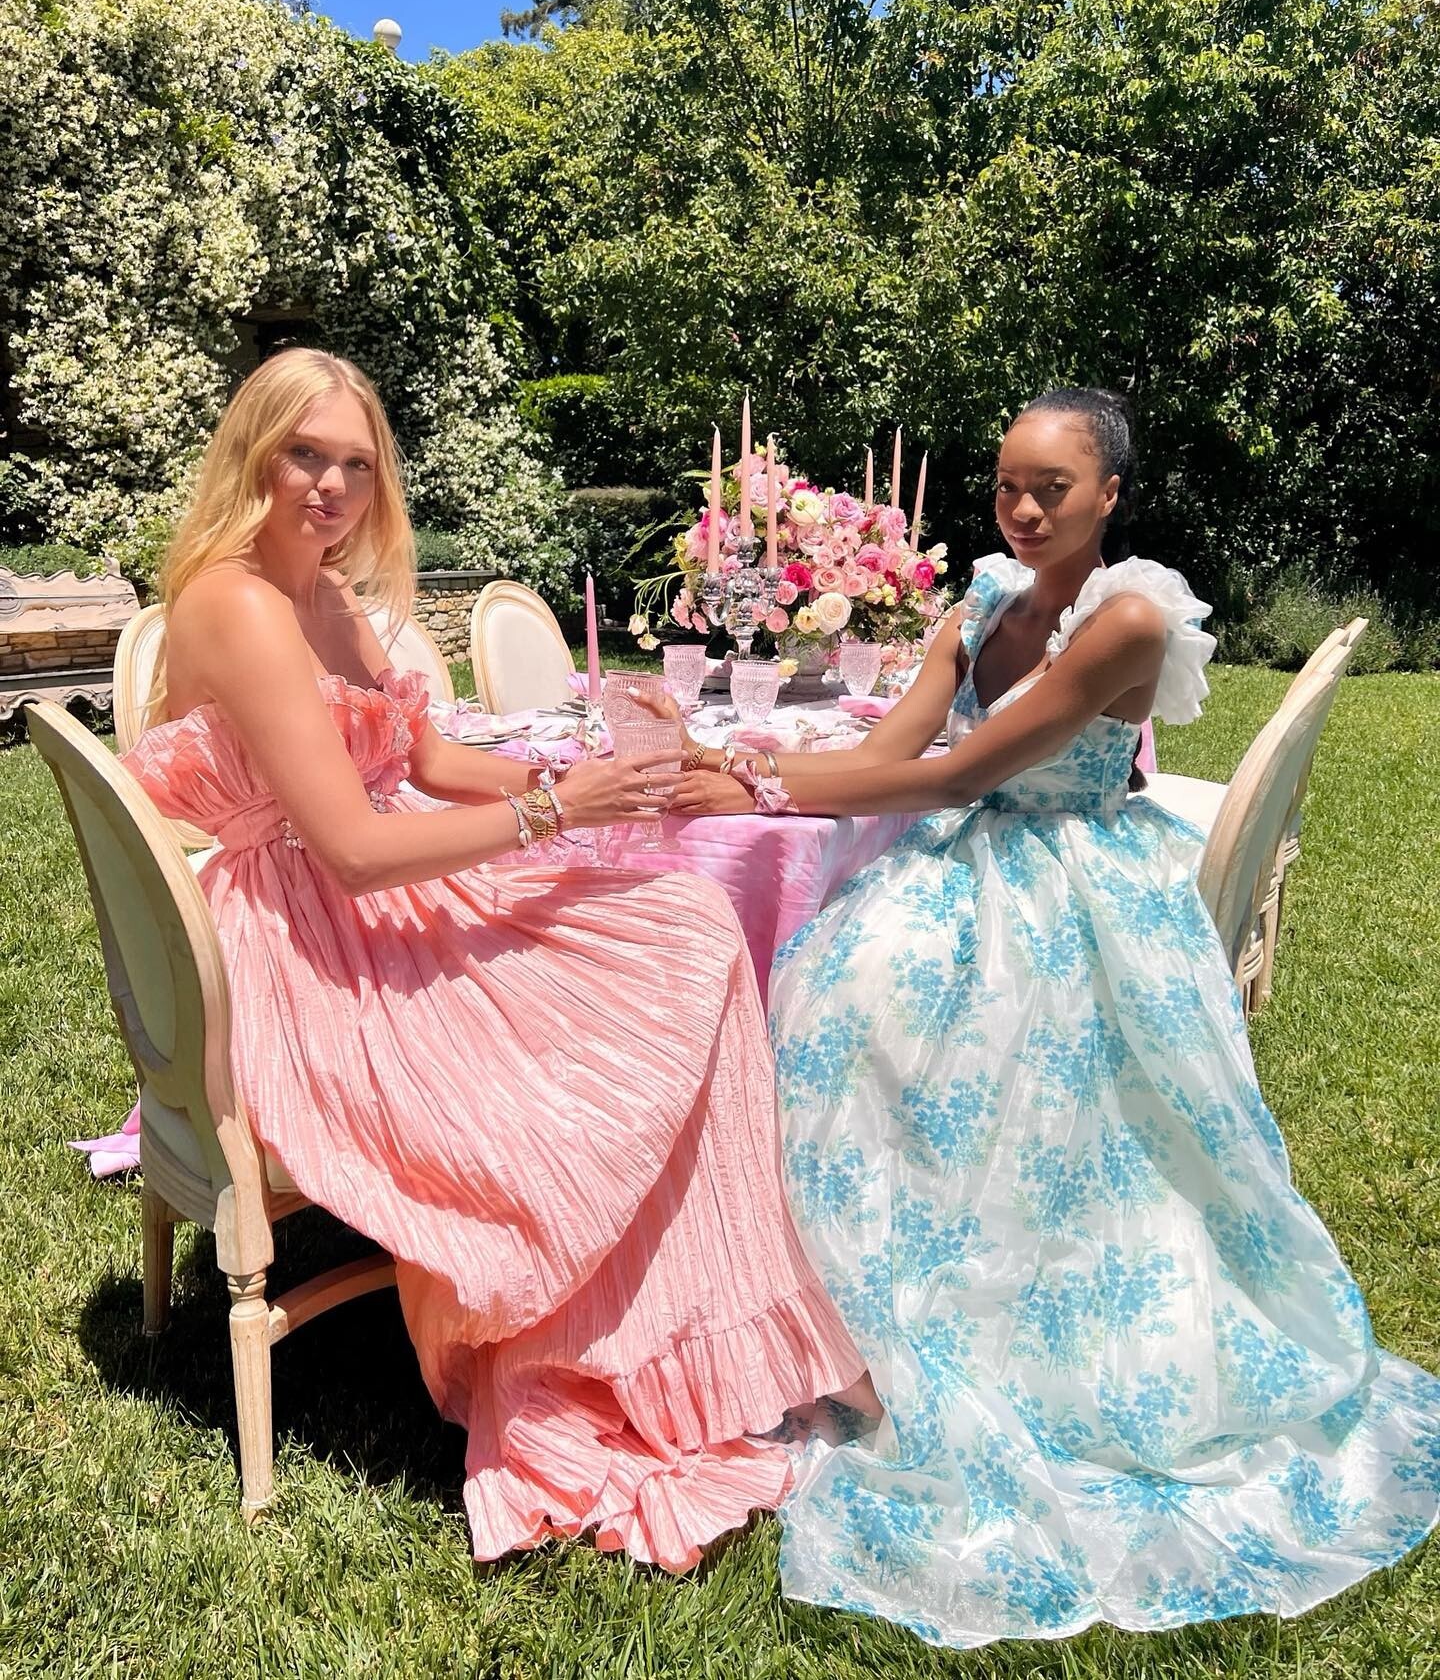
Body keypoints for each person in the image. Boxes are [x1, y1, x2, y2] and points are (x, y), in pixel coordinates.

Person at [665, 388, 1440, 1646]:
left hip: (1072, 880)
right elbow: (903, 738)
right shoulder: (981, 597)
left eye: (1052, 488)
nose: (1021, 509)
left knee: (902, 1006)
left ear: (1110, 494)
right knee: (844, 994)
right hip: (961, 860)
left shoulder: (1131, 616)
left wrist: (752, 777)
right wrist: (760, 770)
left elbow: (960, 773)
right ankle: (826, 1315)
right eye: (1006, 485)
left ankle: (990, 1318)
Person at [120, 346, 874, 1572]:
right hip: (311, 954)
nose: (331, 485)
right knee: (577, 1044)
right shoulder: (237, 604)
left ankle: (694, 1324)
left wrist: (577, 772)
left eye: (356, 463)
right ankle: (587, 1343)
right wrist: (556, 813)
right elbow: (354, 849)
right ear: (254, 449)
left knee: (684, 930)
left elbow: (421, 761)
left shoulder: (323, 593)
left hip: (381, 905)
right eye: (306, 454)